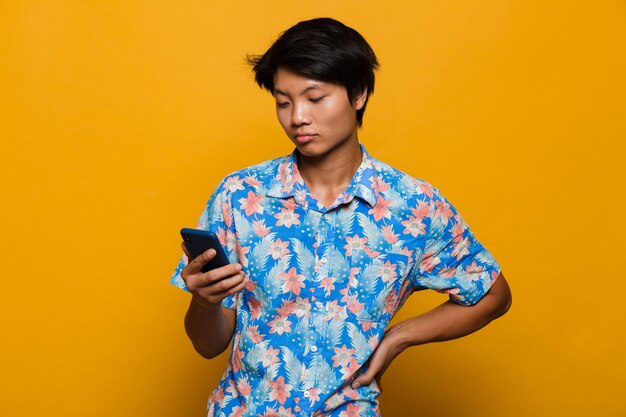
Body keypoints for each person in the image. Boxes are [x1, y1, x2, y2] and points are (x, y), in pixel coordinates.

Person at [170, 17, 512, 417]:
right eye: (283, 102)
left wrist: (399, 337)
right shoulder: (239, 196)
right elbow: (208, 345)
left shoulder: (412, 205)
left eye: (315, 98)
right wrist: (203, 301)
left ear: (359, 94)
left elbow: (493, 294)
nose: (297, 116)